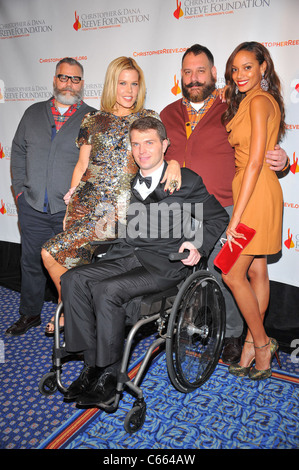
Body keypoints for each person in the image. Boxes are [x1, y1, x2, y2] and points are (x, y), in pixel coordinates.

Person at [60, 116, 229, 406]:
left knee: (106, 290)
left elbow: (217, 217)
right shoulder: (128, 182)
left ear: (165, 145)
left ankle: (109, 373)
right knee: (72, 279)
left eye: (149, 142)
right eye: (136, 144)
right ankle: (91, 365)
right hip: (127, 255)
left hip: (165, 264)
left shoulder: (185, 181)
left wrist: (198, 245)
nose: (142, 150)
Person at [160, 44, 290, 364]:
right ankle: (194, 326)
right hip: (181, 208)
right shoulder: (168, 113)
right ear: (181, 76)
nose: (194, 78)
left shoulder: (229, 106)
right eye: (188, 72)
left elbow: (258, 151)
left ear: (214, 74)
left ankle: (235, 336)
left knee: (228, 273)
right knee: (182, 268)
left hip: (228, 205)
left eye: (201, 71)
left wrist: (283, 160)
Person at [41, 57, 181, 335]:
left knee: (49, 253)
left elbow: (161, 155)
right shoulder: (92, 119)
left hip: (119, 212)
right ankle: (71, 306)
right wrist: (72, 195)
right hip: (83, 204)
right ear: (111, 85)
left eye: (134, 84)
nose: (129, 90)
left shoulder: (148, 118)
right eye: (122, 83)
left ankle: (73, 310)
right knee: (61, 260)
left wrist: (174, 164)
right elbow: (83, 164)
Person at [6, 58, 96, 337]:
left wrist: (83, 203)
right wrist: (20, 191)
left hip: (70, 211)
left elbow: (95, 167)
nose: (69, 84)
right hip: (31, 206)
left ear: (82, 84)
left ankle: (71, 320)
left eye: (75, 79)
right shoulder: (33, 113)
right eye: (63, 77)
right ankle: (30, 314)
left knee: (70, 269)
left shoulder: (92, 119)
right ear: (55, 80)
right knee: (30, 262)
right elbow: (18, 152)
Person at [221, 41, 285, 380]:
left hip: (256, 191)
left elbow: (257, 160)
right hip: (252, 187)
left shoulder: (259, 100)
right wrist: (226, 89)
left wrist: (236, 215)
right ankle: (250, 349)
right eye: (235, 68)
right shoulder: (247, 100)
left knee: (232, 273)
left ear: (264, 67)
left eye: (248, 66)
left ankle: (261, 343)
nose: (241, 74)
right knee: (257, 273)